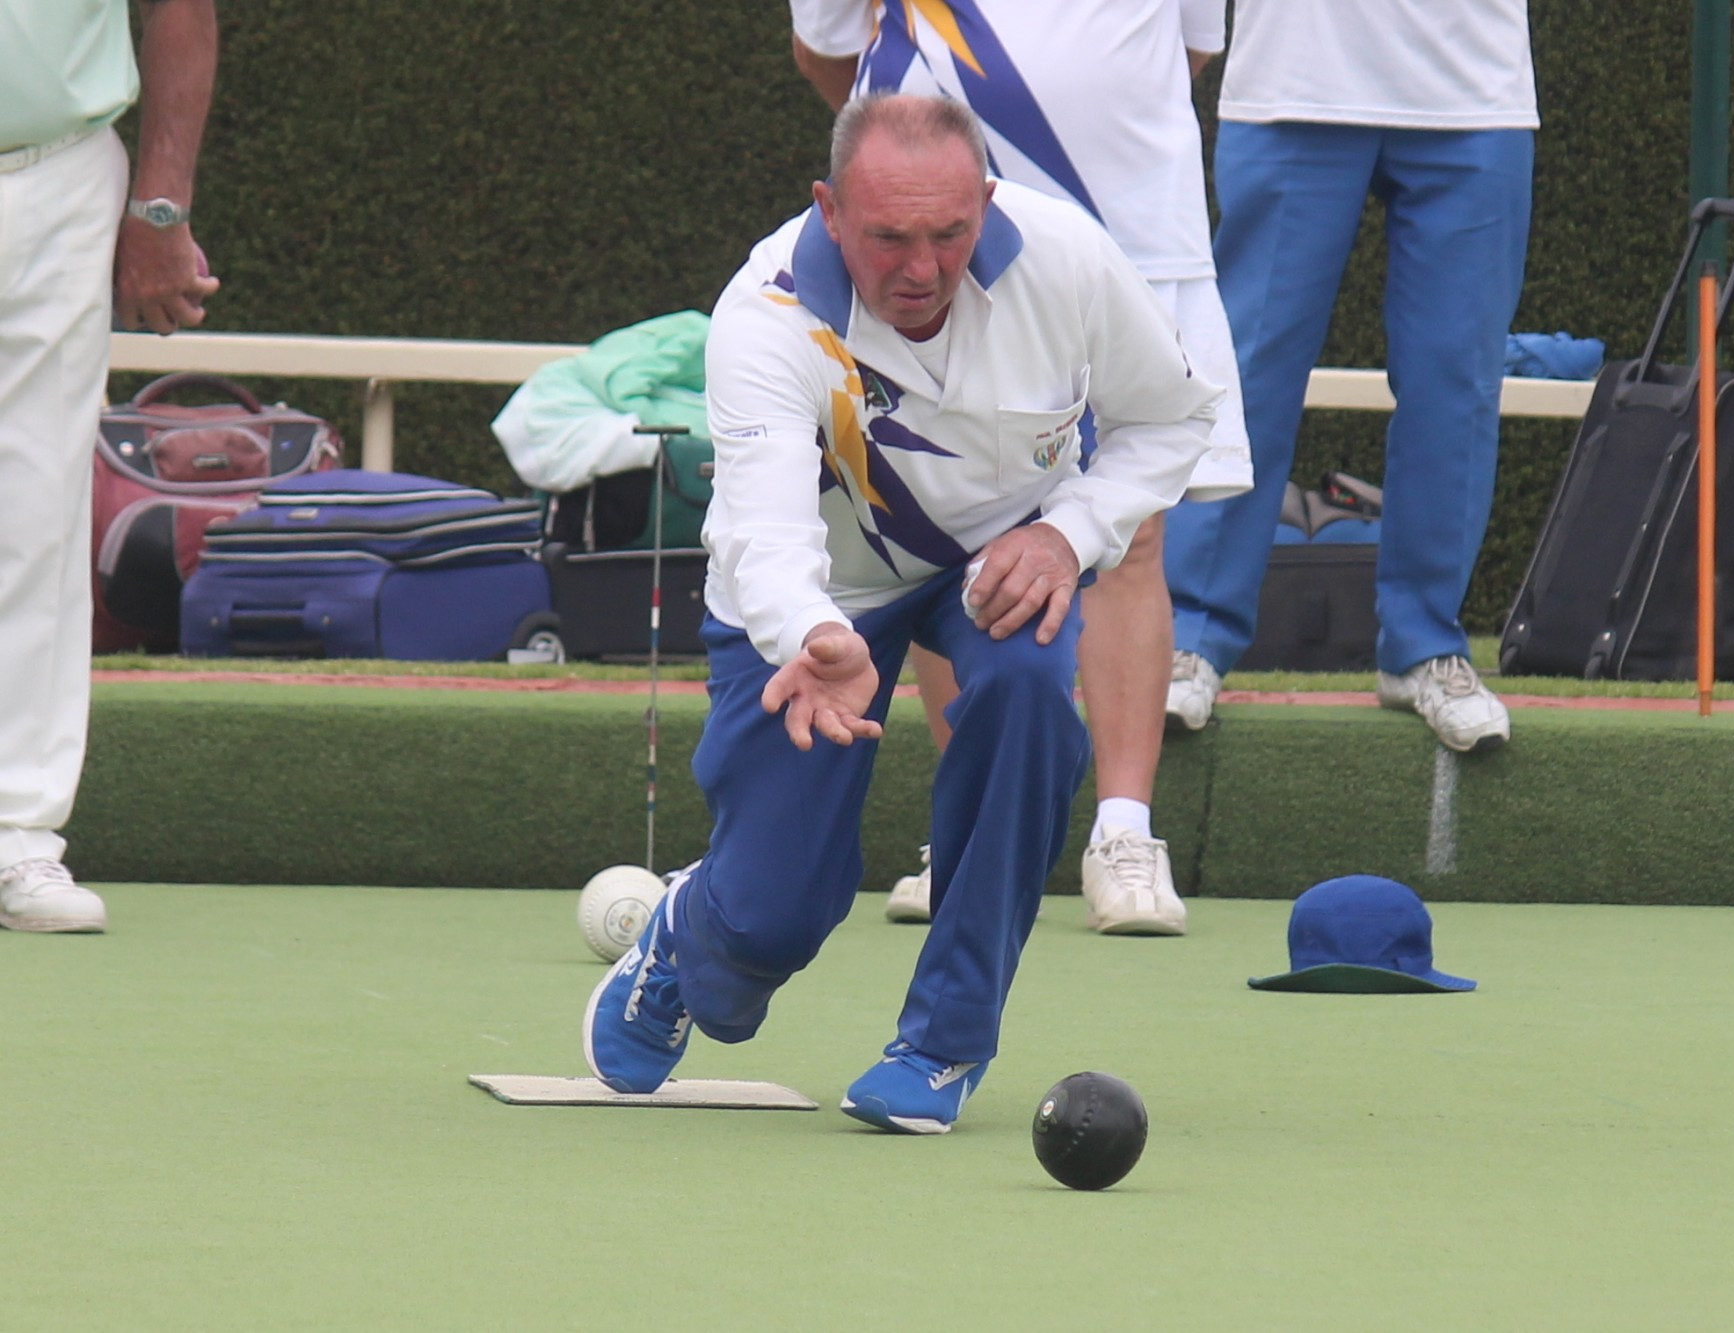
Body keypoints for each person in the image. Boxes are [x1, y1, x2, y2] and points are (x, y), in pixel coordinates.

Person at [583, 94, 1217, 1133]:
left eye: (948, 233)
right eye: (888, 237)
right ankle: (692, 928)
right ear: (830, 211)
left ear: (987, 201)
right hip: (815, 604)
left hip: (995, 570)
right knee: (765, 930)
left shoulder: (1067, 260)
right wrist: (813, 636)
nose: (921, 268)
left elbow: (1168, 420)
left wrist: (1067, 534)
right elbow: (765, 533)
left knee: (1026, 692)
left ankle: (944, 1043)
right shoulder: (768, 315)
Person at [789, 0, 1252, 935]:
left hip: (1130, 228)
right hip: (942, 227)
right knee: (937, 519)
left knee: (1132, 527)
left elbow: (1198, 43)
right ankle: (969, 828)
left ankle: (1124, 833)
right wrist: (934, 165)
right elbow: (827, 50)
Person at [1161, 0, 1536, 753]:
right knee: (1246, 374)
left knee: (1455, 384)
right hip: (1291, 83)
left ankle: (1425, 644)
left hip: (1473, 89)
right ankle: (1188, 638)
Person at [0, 0, 220, 933]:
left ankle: (16, 835)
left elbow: (182, 7)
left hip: (56, 177)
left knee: (35, 509)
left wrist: (160, 206)